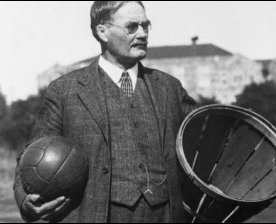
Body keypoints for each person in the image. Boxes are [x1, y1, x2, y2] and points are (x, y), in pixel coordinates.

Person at [13, 1, 196, 223]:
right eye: (132, 26)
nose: (142, 34)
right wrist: (26, 200)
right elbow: (32, 154)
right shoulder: (65, 90)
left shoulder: (170, 88)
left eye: (146, 26)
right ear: (103, 32)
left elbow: (206, 144)